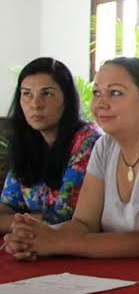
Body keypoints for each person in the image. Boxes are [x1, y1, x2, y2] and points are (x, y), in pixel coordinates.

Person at [4, 57, 139, 261]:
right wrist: (33, 238)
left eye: (115, 93)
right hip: (119, 271)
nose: (101, 103)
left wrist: (56, 242)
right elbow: (84, 224)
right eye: (97, 93)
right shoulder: (105, 146)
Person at [1, 58, 101, 234]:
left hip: (76, 245)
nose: (35, 104)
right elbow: (9, 204)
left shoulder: (88, 141)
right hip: (38, 241)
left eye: (46, 94)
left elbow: (63, 216)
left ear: (67, 99)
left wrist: (13, 222)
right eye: (26, 94)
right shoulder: (26, 140)